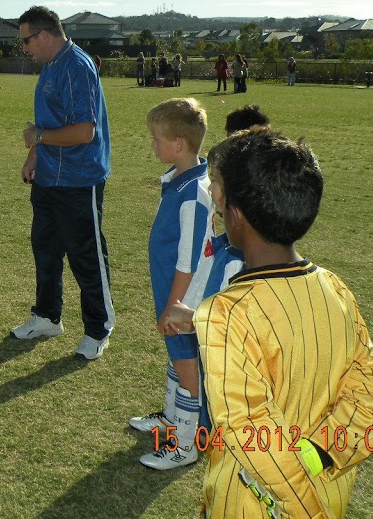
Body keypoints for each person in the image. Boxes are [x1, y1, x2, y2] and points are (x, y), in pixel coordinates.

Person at [193, 127, 373, 518]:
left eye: (217, 191)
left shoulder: (227, 314)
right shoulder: (334, 289)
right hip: (329, 491)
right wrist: (317, 454)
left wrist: (307, 509)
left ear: (235, 215)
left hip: (254, 504)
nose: (215, 204)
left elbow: (252, 437)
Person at [14, 6, 114, 361]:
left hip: (78, 179)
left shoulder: (76, 66)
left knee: (85, 255)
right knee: (45, 248)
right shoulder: (51, 67)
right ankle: (46, 316)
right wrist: (34, 155)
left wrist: (37, 137)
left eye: (25, 40)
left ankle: (98, 328)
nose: (24, 48)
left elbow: (84, 132)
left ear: (43, 35)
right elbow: (49, 123)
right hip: (49, 179)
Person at [129, 98, 214, 470]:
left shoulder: (195, 194)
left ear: (178, 144)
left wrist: (175, 304)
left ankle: (185, 443)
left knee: (187, 365)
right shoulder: (182, 180)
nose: (153, 145)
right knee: (177, 357)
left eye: (157, 139)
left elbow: (190, 258)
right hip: (172, 291)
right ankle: (170, 419)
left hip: (184, 297)